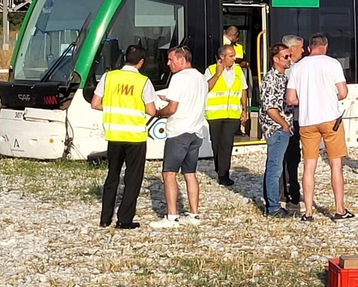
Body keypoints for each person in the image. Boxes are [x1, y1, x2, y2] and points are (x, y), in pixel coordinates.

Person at [285, 33, 354, 221]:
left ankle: (307, 212)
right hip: (330, 119)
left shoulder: (298, 67)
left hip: (307, 120)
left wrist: (307, 100)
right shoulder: (333, 64)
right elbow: (343, 93)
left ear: (309, 48)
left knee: (309, 166)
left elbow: (290, 99)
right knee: (336, 164)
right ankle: (339, 209)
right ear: (325, 46)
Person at [89, 46, 159, 230]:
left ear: (124, 58)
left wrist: (113, 108)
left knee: (112, 176)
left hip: (114, 135)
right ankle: (124, 220)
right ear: (141, 62)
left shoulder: (108, 77)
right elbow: (151, 110)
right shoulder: (143, 82)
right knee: (132, 179)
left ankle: (105, 219)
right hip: (135, 136)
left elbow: (95, 104)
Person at [152, 46, 208, 229]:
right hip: (196, 131)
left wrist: (159, 112)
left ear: (182, 60)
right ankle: (193, 214)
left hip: (178, 132)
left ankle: (171, 216)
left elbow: (173, 108)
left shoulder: (178, 78)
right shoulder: (201, 77)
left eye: (171, 60)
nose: (168, 64)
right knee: (190, 173)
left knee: (169, 173)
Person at [204, 44, 249, 186]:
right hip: (215, 114)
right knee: (216, 144)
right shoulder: (210, 70)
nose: (234, 59)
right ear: (222, 57)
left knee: (227, 144)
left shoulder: (238, 71)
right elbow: (206, 88)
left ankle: (224, 174)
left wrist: (244, 109)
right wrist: (217, 74)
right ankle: (220, 168)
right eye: (231, 56)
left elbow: (243, 90)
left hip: (232, 114)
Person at [259, 44, 295, 217]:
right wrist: (284, 125)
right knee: (275, 169)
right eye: (286, 56)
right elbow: (270, 107)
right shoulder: (271, 79)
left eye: (290, 56)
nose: (290, 59)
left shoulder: (282, 77)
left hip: (280, 127)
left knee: (273, 167)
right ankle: (273, 207)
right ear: (276, 59)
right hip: (277, 129)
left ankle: (270, 203)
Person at [281, 35, 305, 205]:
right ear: (292, 48)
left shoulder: (296, 68)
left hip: (295, 117)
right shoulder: (292, 70)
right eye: (301, 47)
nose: (303, 50)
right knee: (289, 156)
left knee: (293, 156)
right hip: (288, 118)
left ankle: (291, 189)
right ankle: (289, 190)